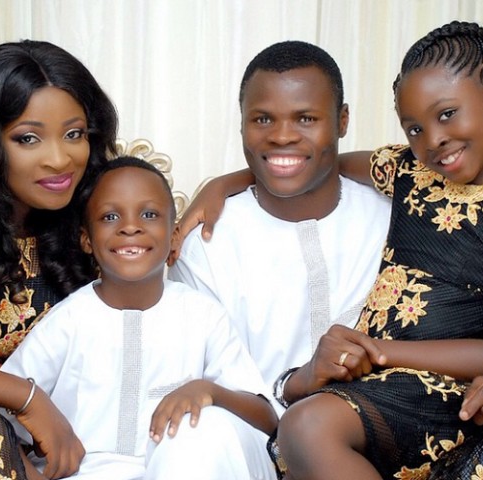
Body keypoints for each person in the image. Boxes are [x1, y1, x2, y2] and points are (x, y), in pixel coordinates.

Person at [273, 21, 483, 480]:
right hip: (379, 387)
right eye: (414, 128)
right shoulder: (410, 171)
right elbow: (321, 163)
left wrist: (383, 351)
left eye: (447, 114)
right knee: (304, 427)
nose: (433, 140)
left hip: (451, 394)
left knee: (309, 426)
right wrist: (226, 182)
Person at [0, 156, 278, 479]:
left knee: (207, 429)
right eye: (110, 216)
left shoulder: (202, 315)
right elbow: (2, 415)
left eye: (149, 214)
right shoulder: (68, 321)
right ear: (86, 240)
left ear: (174, 236)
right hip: (86, 475)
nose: (130, 227)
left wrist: (209, 391)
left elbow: (266, 418)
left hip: (184, 471)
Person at [0, 40, 118, 479]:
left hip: (41, 421)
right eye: (28, 138)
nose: (60, 159)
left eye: (74, 134)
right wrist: (22, 397)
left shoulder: (98, 210)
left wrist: (226, 184)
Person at [168, 40, 392, 419]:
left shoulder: (393, 219)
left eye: (306, 119)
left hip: (382, 429)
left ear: (342, 121)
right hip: (246, 436)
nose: (282, 136)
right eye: (262, 120)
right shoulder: (206, 243)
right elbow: (203, 384)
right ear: (242, 123)